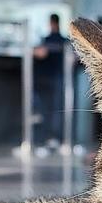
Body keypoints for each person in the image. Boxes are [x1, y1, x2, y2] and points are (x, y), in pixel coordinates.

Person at [32, 13, 67, 146]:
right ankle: (54, 138)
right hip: (56, 79)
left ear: (52, 23)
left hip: (51, 79)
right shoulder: (62, 41)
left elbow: (40, 54)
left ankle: (52, 137)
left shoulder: (50, 40)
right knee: (55, 110)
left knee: (51, 110)